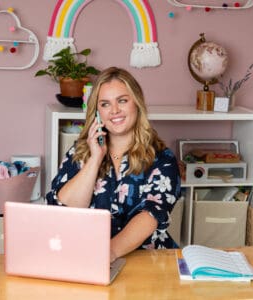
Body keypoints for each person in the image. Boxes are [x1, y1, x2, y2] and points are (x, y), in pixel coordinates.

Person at [46, 67, 182, 262]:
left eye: (122, 100)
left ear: (137, 103)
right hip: (85, 259)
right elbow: (63, 209)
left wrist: (107, 254)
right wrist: (95, 159)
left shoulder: (162, 158)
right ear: (97, 111)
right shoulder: (80, 152)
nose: (115, 110)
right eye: (105, 104)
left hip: (147, 262)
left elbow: (151, 214)